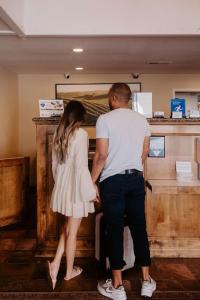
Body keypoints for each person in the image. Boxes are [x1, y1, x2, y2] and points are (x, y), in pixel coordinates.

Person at [91, 83, 156, 299]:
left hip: (112, 182)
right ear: (129, 99)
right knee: (139, 228)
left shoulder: (104, 120)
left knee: (115, 229)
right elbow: (145, 152)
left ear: (112, 98)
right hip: (136, 179)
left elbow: (101, 156)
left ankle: (118, 287)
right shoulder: (142, 120)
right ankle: (146, 281)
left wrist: (92, 182)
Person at [47, 101, 97, 290]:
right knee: (72, 232)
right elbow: (82, 168)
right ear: (80, 117)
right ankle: (68, 273)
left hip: (62, 188)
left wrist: (60, 183)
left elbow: (54, 166)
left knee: (67, 227)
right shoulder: (82, 134)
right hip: (75, 190)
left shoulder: (58, 135)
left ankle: (55, 264)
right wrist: (91, 192)